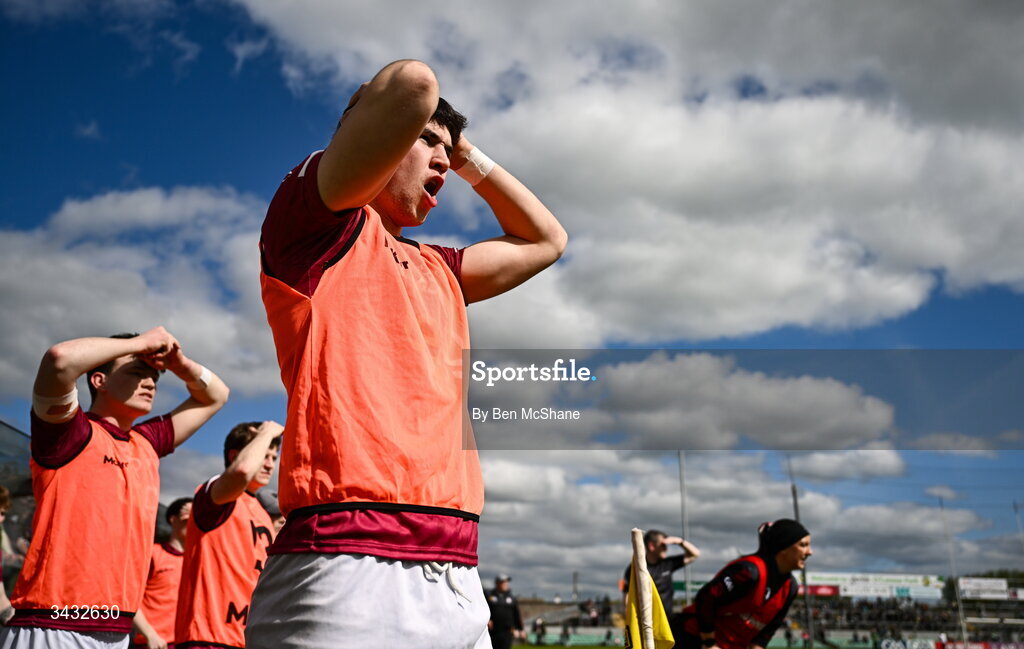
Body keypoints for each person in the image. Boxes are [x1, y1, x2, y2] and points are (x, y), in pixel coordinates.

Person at [248, 59, 567, 649]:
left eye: (450, 151)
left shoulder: (439, 268)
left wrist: (465, 154)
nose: (445, 160)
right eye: (426, 140)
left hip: (456, 563)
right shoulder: (314, 229)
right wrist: (393, 118)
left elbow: (547, 240)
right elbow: (413, 83)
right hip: (345, 558)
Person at [1, 328, 228, 649]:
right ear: (99, 381)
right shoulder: (70, 433)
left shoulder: (148, 441)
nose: (150, 383)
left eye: (154, 377)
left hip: (116, 627)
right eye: (137, 373)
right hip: (53, 622)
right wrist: (140, 344)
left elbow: (217, 395)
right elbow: (59, 360)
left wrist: (178, 362)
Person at [175, 421, 282, 649]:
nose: (269, 464)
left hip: (249, 638)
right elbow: (241, 473)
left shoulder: (262, 512)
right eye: (264, 454)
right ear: (234, 455)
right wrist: (267, 432)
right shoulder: (217, 496)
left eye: (274, 457)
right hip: (208, 637)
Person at [678, 519, 813, 649]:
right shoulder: (749, 571)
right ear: (783, 547)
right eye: (803, 545)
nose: (809, 552)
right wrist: (709, 642)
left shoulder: (791, 587)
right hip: (692, 638)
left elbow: (769, 629)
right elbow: (706, 597)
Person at [132, 497, 193, 649]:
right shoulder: (152, 554)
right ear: (173, 519)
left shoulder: (199, 561)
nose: (192, 521)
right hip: (154, 643)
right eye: (187, 515)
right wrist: (149, 634)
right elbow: (129, 598)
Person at [621, 530, 701, 615]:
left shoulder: (668, 563)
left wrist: (679, 541)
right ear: (651, 546)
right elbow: (627, 596)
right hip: (646, 622)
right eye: (663, 545)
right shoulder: (636, 567)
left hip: (667, 620)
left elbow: (695, 554)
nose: (666, 549)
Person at [486, 574, 524, 649]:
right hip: (493, 631)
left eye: (506, 582)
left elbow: (516, 615)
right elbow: (484, 610)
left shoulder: (511, 598)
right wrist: (487, 619)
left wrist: (521, 629)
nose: (506, 584)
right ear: (497, 583)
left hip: (507, 632)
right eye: (503, 582)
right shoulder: (489, 596)